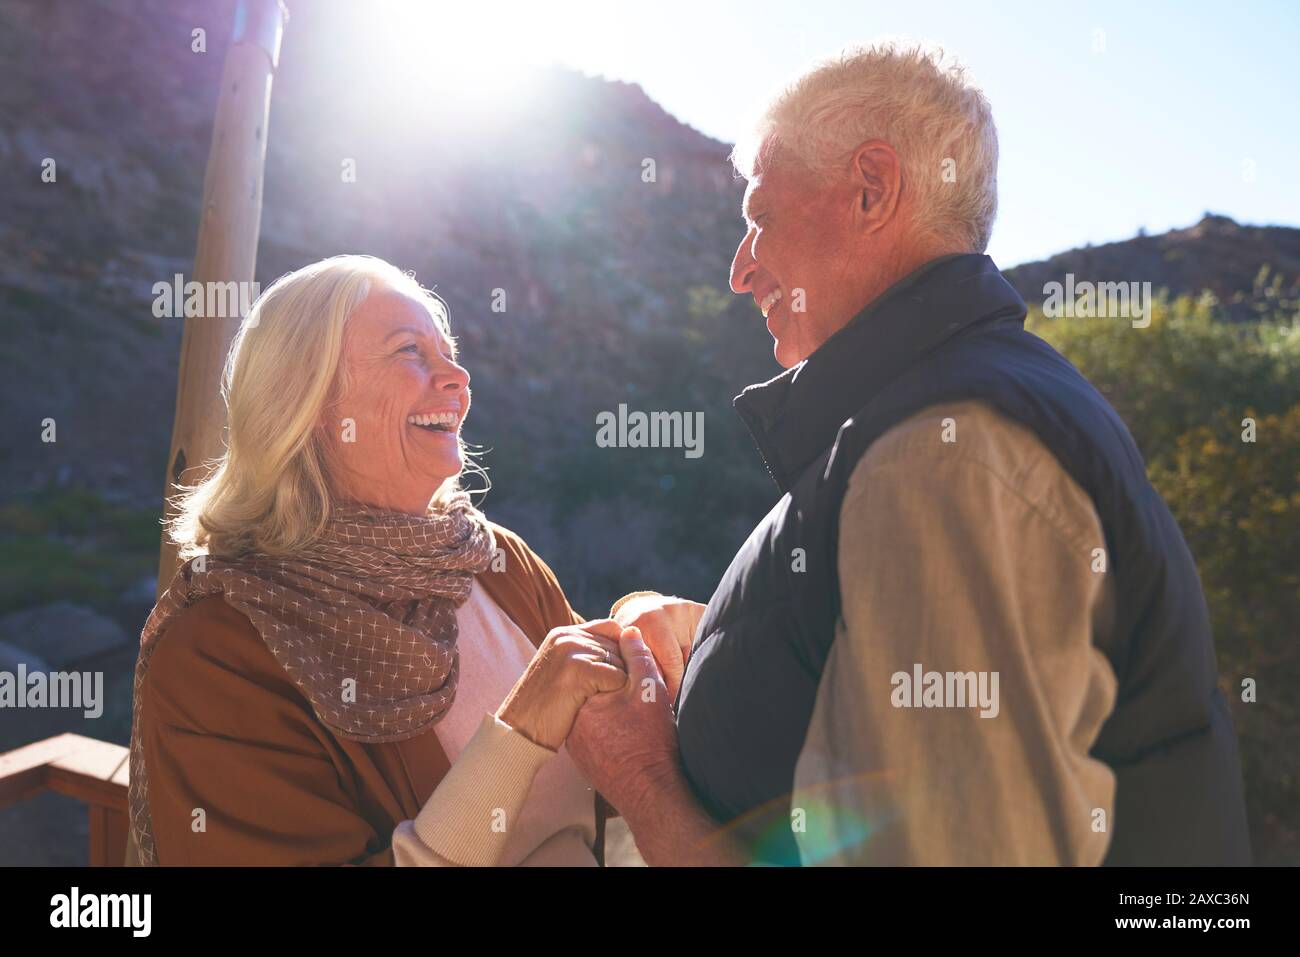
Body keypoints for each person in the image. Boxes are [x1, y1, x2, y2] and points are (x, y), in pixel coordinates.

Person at [565, 42, 1252, 866]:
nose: (741, 269)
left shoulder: (944, 455)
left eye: (759, 220)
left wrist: (641, 776)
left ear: (871, 187)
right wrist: (720, 643)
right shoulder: (941, 421)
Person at [126, 254, 702, 866]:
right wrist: (520, 735)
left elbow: (609, 764)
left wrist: (646, 641)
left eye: (450, 352)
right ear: (308, 402)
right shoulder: (217, 651)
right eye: (410, 352)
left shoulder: (497, 562)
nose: (458, 377)